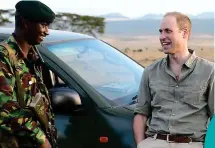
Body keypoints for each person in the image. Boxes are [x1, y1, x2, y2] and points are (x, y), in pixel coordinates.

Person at [133, 11, 214, 148]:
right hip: (154, 142)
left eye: (168, 31)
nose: (162, 37)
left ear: (184, 33)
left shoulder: (209, 71)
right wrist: (141, 145)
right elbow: (141, 114)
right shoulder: (150, 71)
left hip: (192, 144)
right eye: (160, 32)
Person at [0, 0, 57, 148]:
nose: (47, 31)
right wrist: (40, 138)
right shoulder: (3, 57)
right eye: (43, 25)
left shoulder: (33, 57)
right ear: (25, 23)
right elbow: (4, 112)